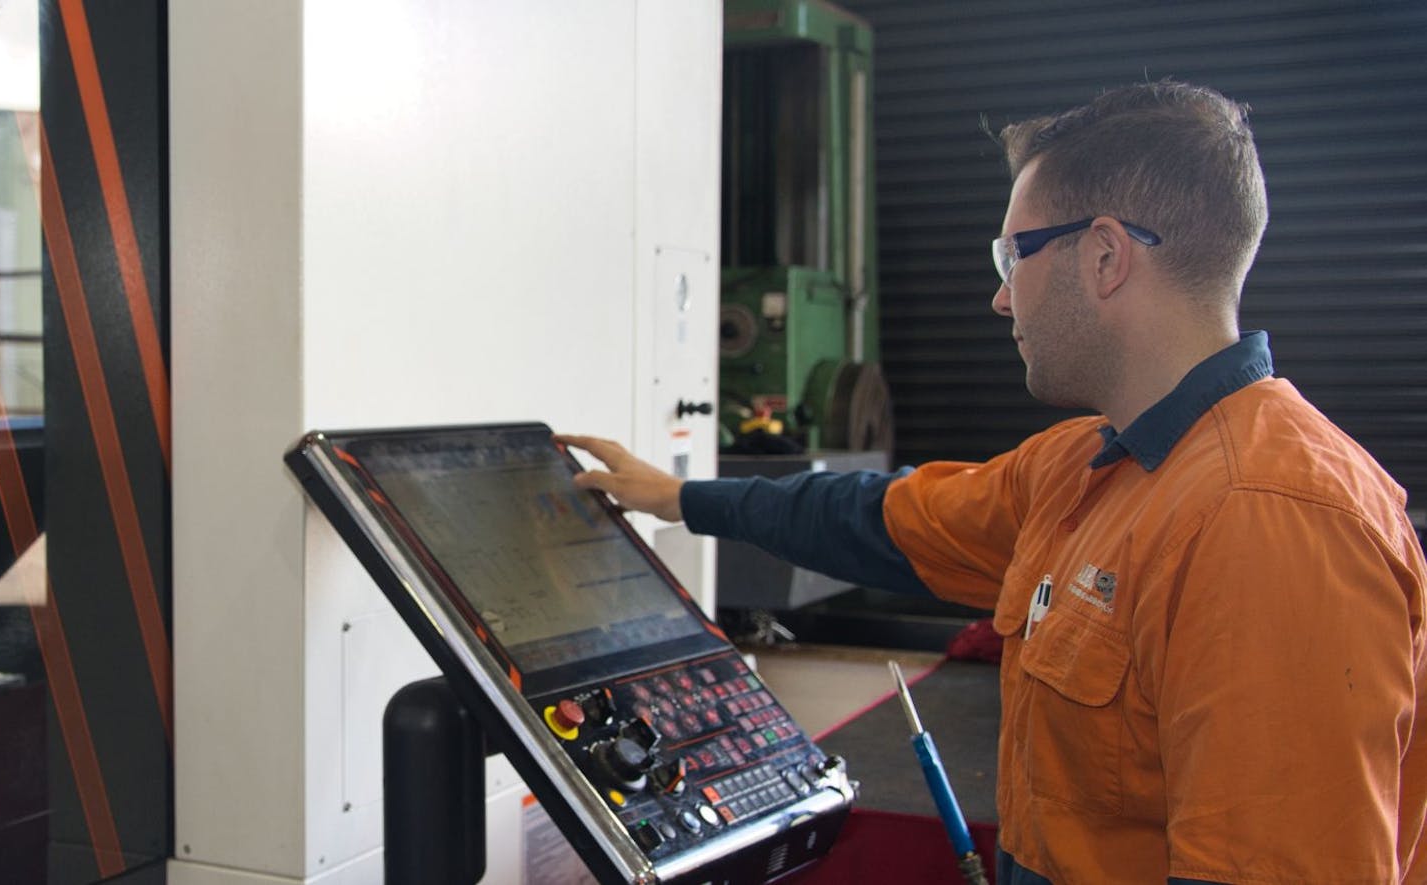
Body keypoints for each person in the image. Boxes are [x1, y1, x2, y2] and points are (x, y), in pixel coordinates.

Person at [559, 81, 1426, 885]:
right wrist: (678, 498)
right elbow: (876, 517)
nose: (1000, 299)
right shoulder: (1085, 469)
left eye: (1014, 255)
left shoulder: (1269, 522)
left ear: (1104, 256)